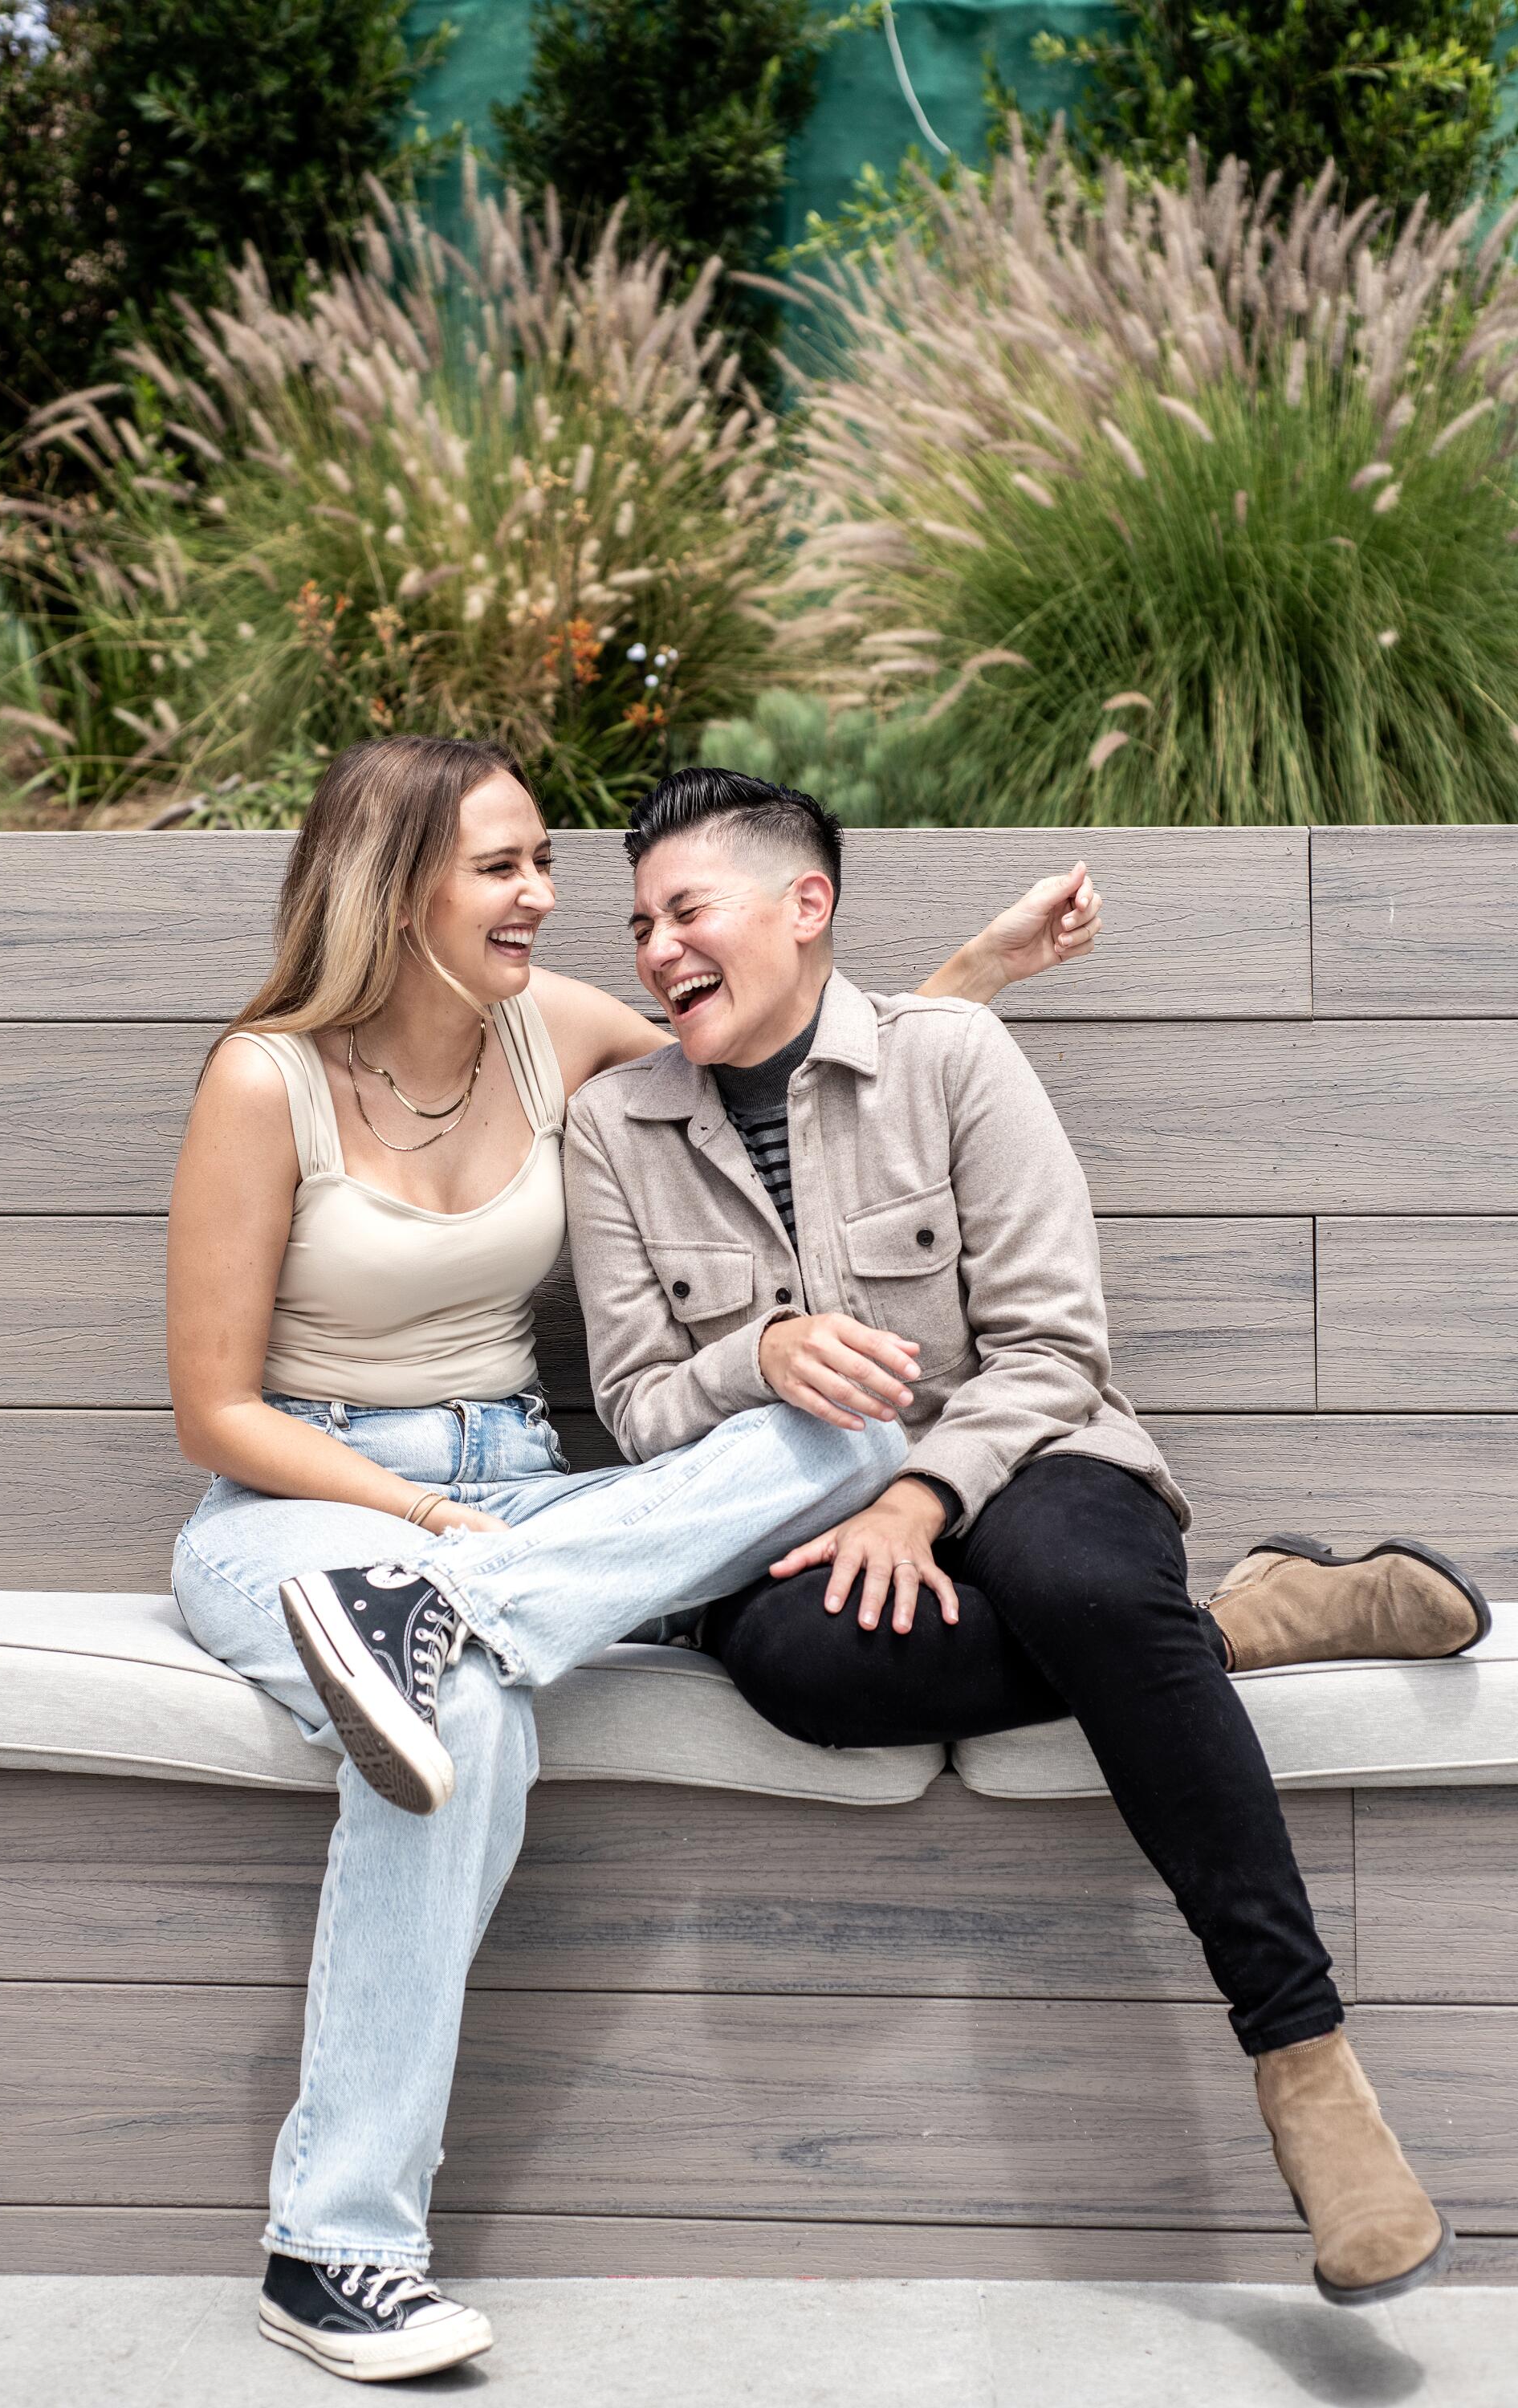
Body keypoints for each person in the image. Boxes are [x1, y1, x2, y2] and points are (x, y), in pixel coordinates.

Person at [165, 732, 1100, 2383]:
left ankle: (463, 1618)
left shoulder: (557, 1037)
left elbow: (800, 1047)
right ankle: (335, 2252)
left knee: (856, 1418)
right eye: (504, 868)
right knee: (452, 1727)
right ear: (395, 889)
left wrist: (977, 976)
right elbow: (216, 1411)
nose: (544, 900)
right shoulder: (268, 1078)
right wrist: (420, 1528)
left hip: (517, 1511)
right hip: (305, 1512)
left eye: (543, 865)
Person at [559, 767, 1490, 2314]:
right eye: (640, 924)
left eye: (684, 911)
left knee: (1076, 1575)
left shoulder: (953, 1057)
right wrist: (757, 1364)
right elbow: (639, 1406)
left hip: (1028, 1466)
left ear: (806, 907)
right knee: (802, 1671)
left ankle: (1307, 2065)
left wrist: (924, 1495)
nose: (654, 951)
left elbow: (1056, 1351)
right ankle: (1242, 1622)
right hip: (790, 1529)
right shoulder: (614, 1128)